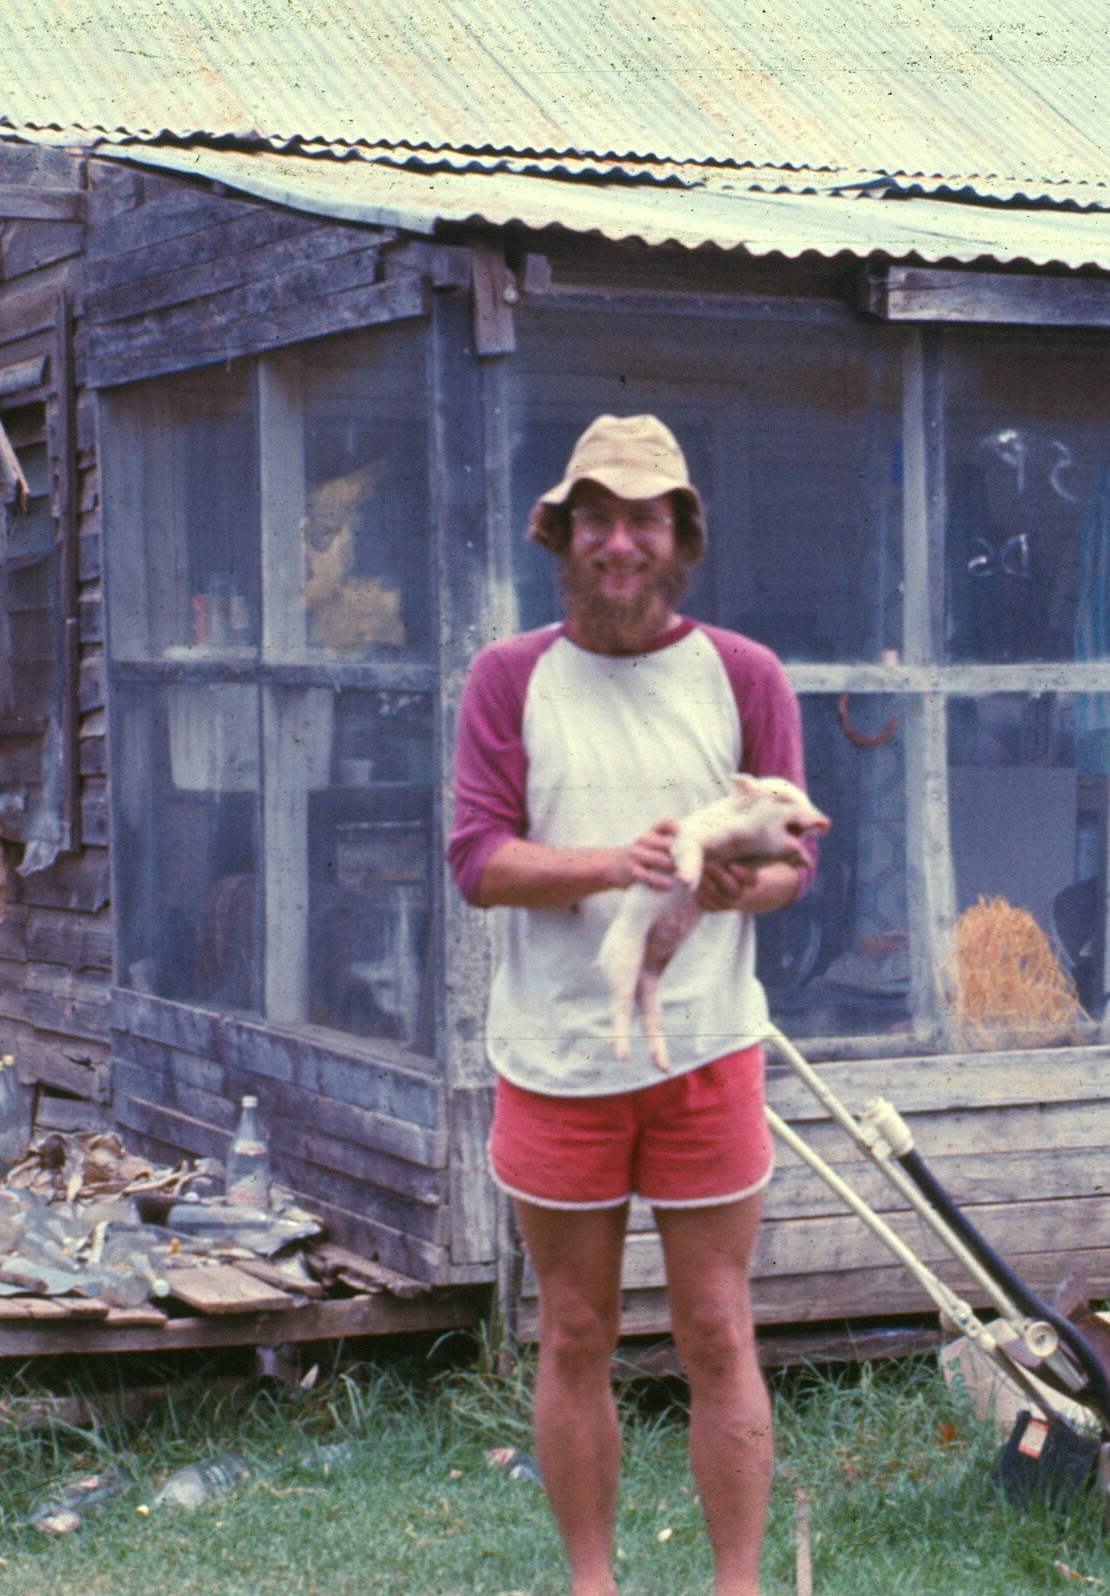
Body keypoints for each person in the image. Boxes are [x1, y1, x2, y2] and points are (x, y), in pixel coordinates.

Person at [447, 414, 819, 1596]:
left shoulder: (745, 674)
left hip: (707, 1047)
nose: (619, 543)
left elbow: (793, 866)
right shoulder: (510, 677)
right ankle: (594, 1584)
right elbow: (479, 861)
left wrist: (734, 881)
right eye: (595, 518)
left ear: (681, 538)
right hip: (558, 1055)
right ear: (561, 535)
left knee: (717, 1331)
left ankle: (737, 1586)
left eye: (644, 520)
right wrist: (621, 865)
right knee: (574, 1331)